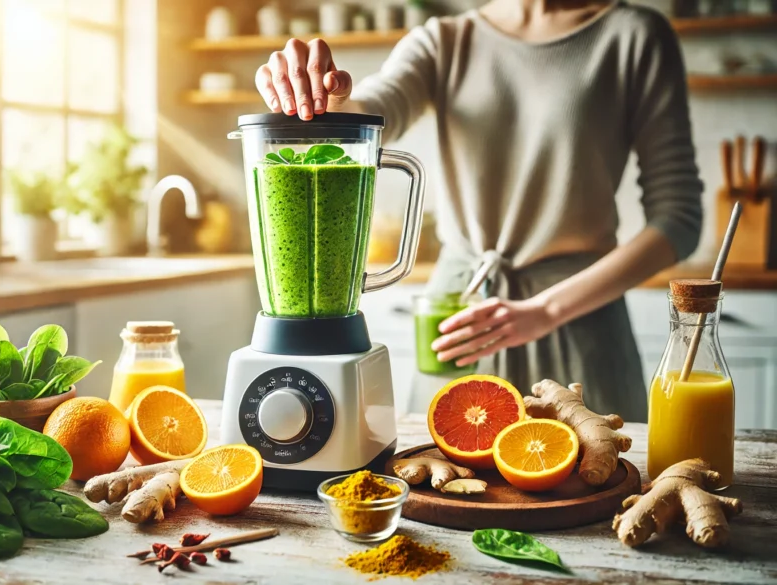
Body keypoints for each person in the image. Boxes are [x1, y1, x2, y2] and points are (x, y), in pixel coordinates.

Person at [253, 0, 703, 422]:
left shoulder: (635, 37)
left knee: (599, 488)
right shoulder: (444, 40)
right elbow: (371, 109)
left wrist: (545, 311)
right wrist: (326, 98)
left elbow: (678, 218)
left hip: (580, 325)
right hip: (460, 319)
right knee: (436, 482)